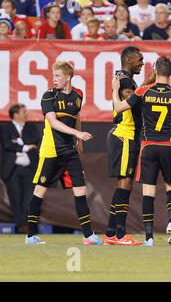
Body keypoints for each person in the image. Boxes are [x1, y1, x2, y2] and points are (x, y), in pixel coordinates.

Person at [111, 56, 171, 246]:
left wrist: (115, 91)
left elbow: (118, 108)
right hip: (169, 146)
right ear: (170, 72)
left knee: (148, 192)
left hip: (148, 147)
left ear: (155, 70)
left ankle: (149, 237)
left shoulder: (143, 91)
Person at [26, 61, 102, 245]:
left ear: (68, 77)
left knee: (80, 190)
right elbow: (52, 122)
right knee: (40, 190)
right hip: (51, 150)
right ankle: (30, 235)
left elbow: (76, 116)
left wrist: (78, 140)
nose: (54, 79)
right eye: (53, 76)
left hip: (70, 150)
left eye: (58, 76)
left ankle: (87, 235)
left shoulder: (78, 95)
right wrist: (78, 134)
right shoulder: (48, 96)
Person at [103, 46, 146, 246]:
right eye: (140, 59)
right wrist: (148, 83)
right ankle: (120, 235)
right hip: (125, 135)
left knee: (123, 184)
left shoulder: (124, 78)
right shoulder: (125, 81)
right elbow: (131, 101)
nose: (142, 63)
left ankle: (111, 233)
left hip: (126, 135)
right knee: (125, 184)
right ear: (128, 59)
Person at [0, 104, 40, 234]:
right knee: (15, 198)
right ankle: (21, 225)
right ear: (15, 114)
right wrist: (26, 147)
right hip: (13, 169)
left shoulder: (31, 127)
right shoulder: (5, 127)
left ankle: (28, 225)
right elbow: (6, 144)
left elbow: (36, 140)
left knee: (29, 198)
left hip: (29, 169)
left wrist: (18, 142)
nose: (26, 114)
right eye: (23, 112)